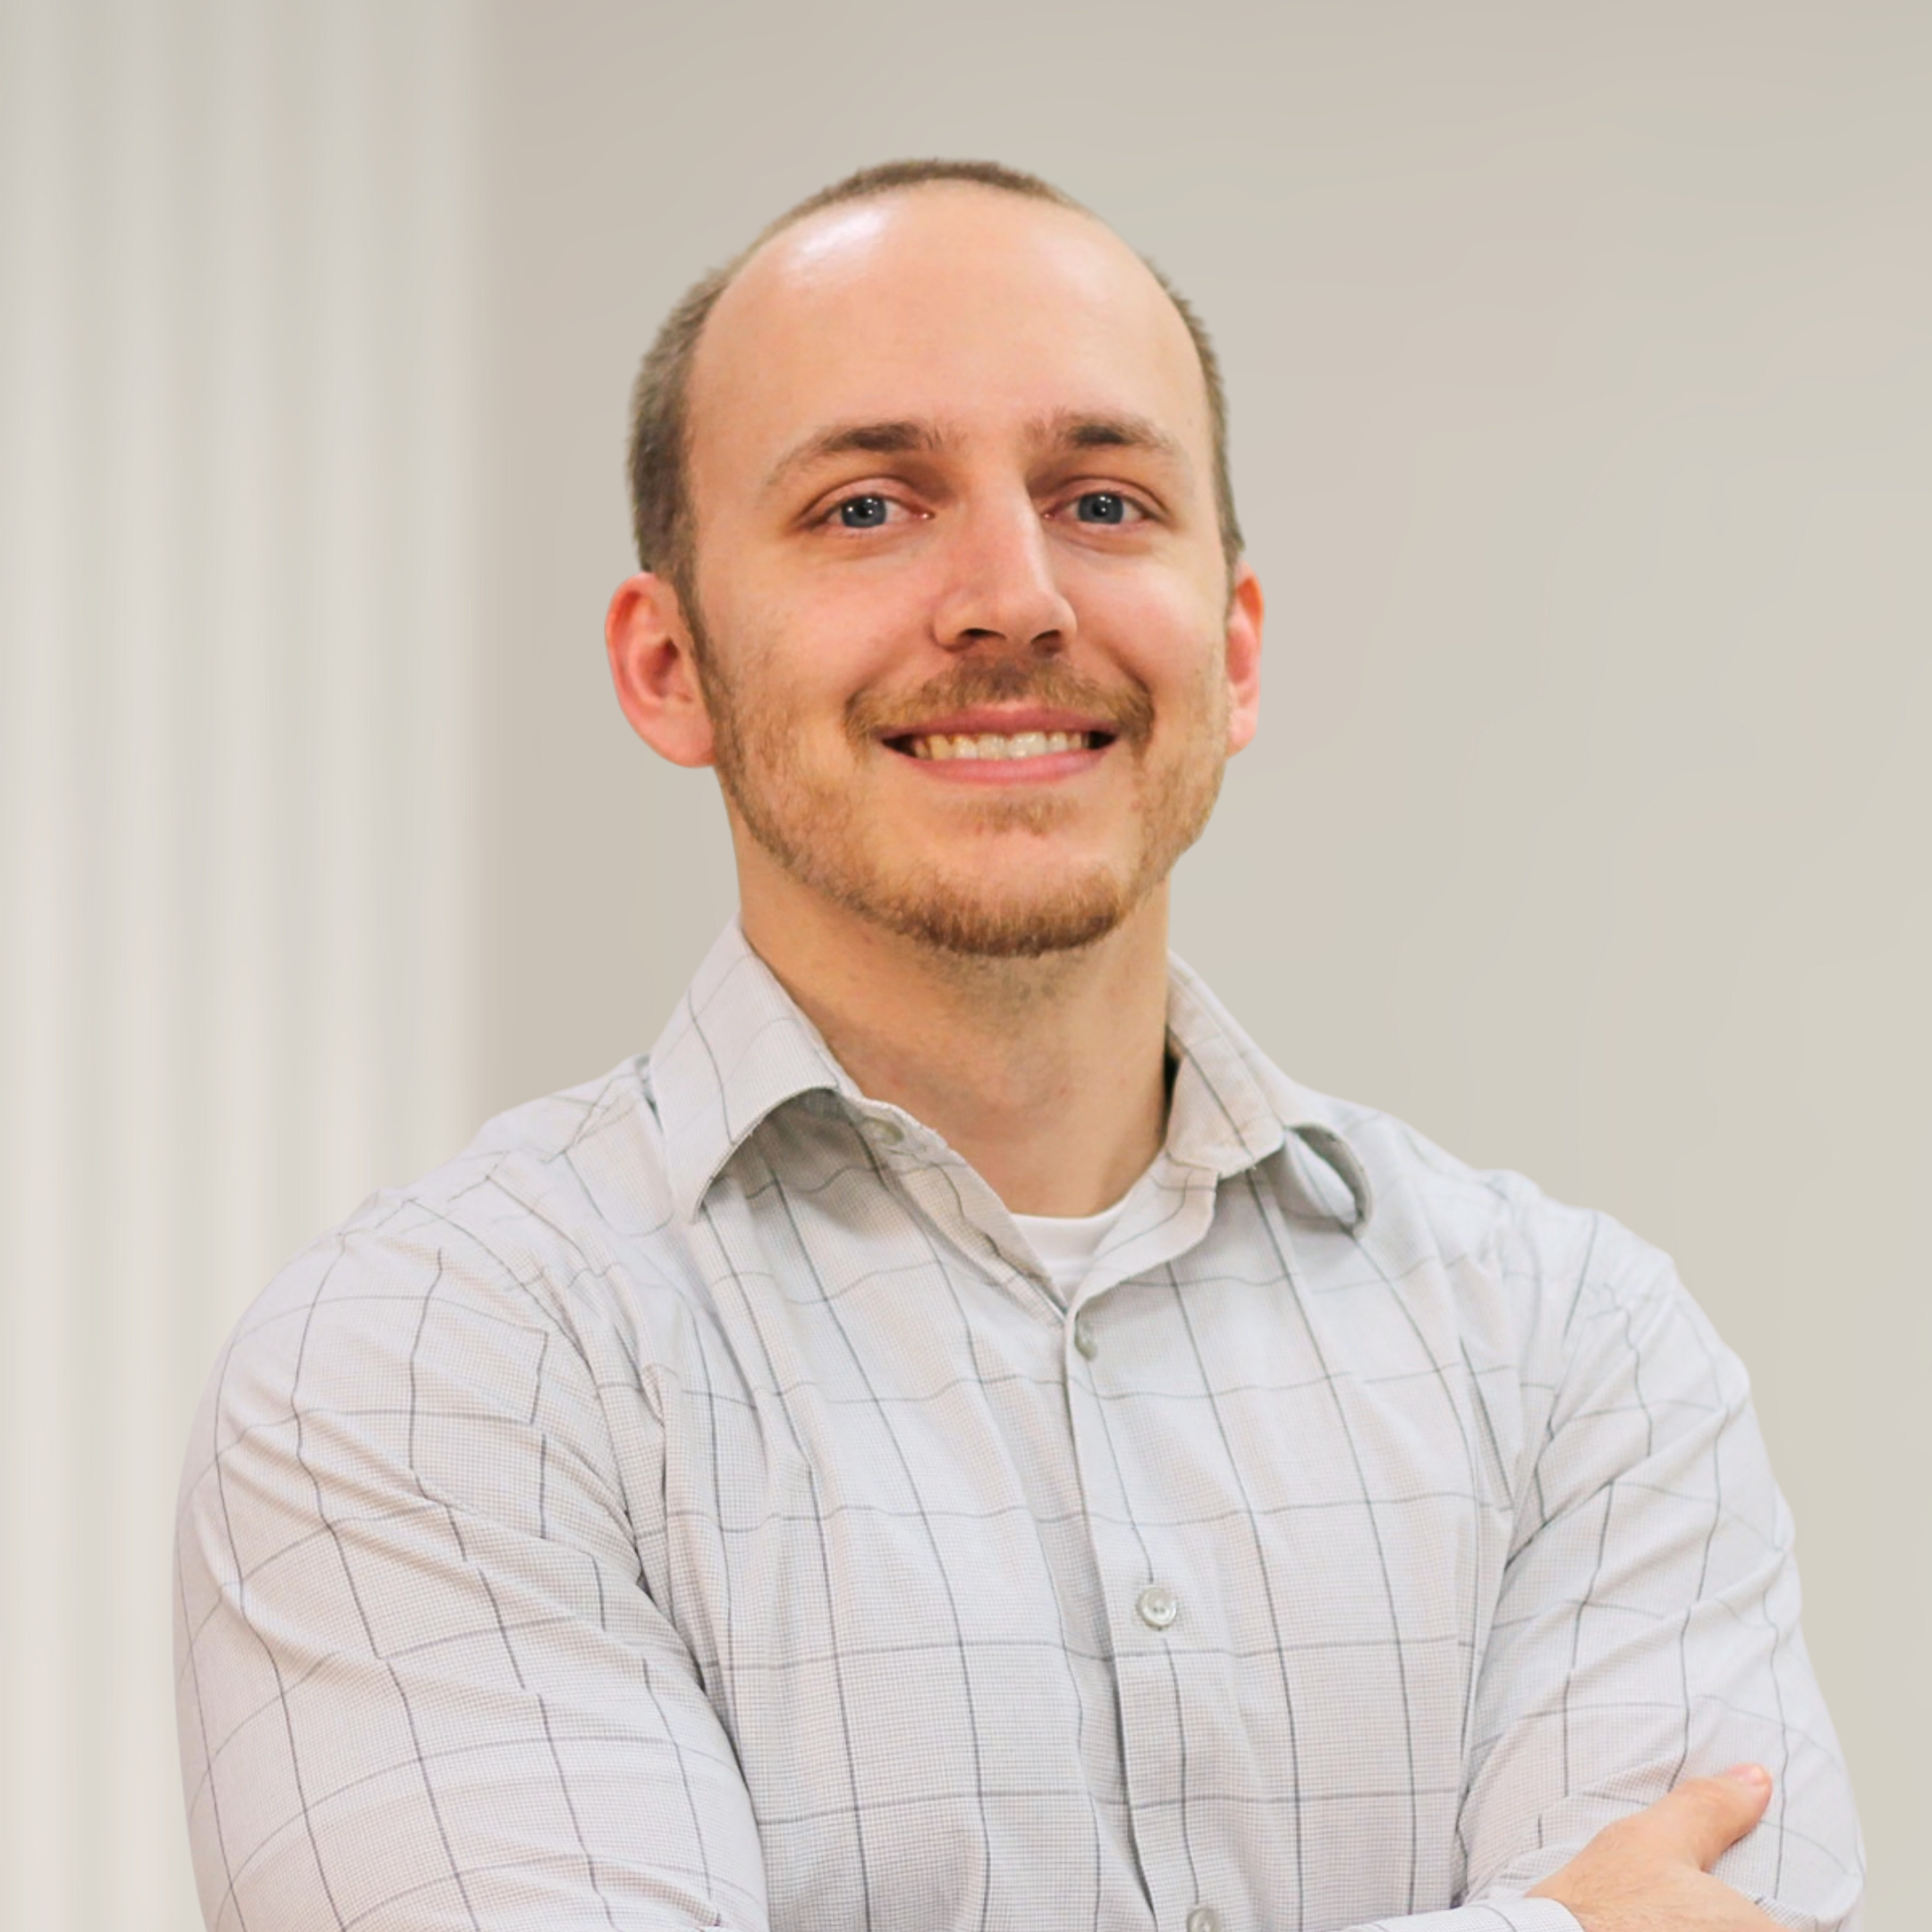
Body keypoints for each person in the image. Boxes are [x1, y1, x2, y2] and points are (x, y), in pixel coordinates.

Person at [174, 160, 1862, 1932]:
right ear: (669, 666)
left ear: (1236, 645)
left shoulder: (1575, 1358)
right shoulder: (433, 1364)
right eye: (866, 509)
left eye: (1106, 500)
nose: (1013, 599)